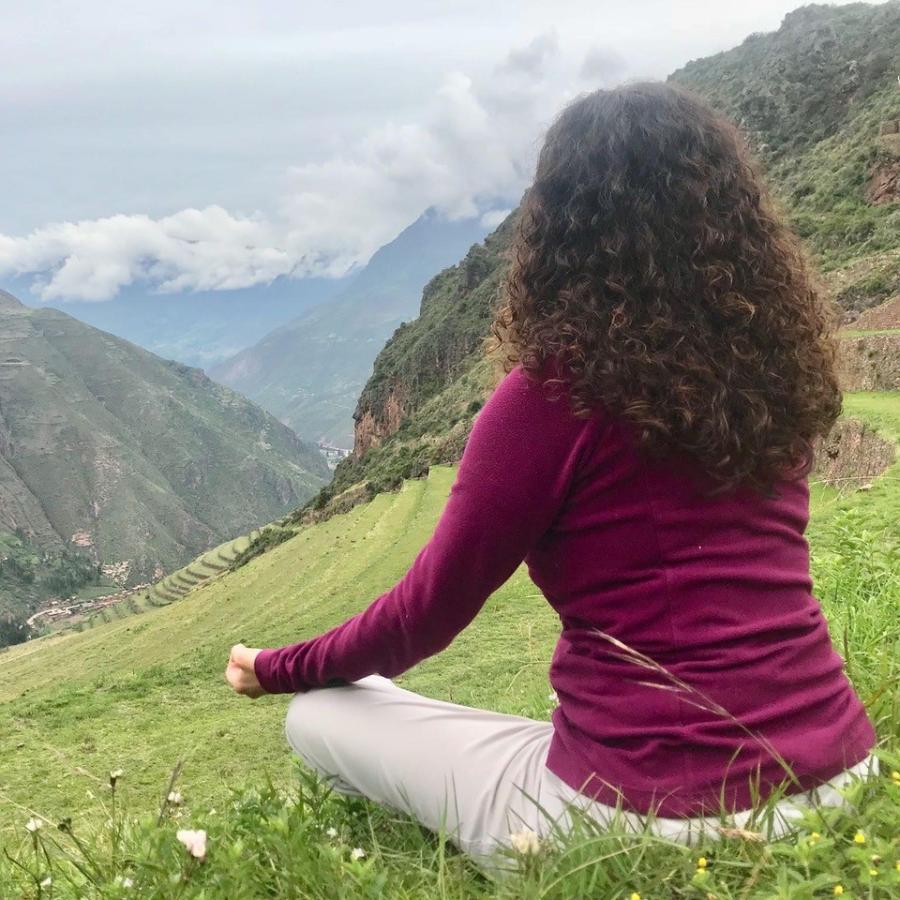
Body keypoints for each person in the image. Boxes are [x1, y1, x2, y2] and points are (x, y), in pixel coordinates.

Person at [225, 82, 877, 869]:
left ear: (559, 229)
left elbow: (425, 614)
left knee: (319, 716)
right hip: (841, 775)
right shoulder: (772, 372)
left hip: (646, 821)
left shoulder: (551, 397)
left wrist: (275, 668)